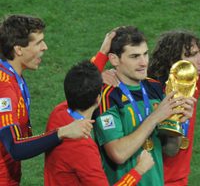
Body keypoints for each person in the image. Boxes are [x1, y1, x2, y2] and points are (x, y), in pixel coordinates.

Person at [93, 26, 195, 186]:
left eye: (145, 54)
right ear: (114, 59)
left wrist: (177, 123)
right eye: (134, 56)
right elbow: (118, 153)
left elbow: (170, 150)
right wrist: (155, 117)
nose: (143, 62)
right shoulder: (106, 96)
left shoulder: (155, 88)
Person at [0, 14, 95, 186]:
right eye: (38, 43)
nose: (45, 47)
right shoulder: (5, 88)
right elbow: (15, 147)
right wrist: (62, 132)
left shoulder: (12, 75)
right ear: (18, 49)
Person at [44, 60, 155, 186]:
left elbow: (79, 91)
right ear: (98, 99)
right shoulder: (83, 148)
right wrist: (139, 170)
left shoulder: (57, 114)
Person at [148, 30, 200, 186]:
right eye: (190, 55)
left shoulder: (192, 84)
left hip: (179, 179)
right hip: (155, 179)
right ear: (173, 61)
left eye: (198, 53)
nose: (198, 60)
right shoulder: (151, 92)